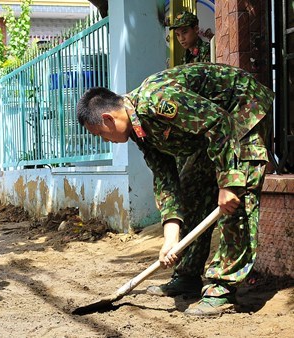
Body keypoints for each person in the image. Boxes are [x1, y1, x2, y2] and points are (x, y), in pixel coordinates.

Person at [76, 63, 274, 316]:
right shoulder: (139, 130)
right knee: (191, 190)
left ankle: (222, 288)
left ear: (108, 118)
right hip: (212, 133)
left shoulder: (157, 101)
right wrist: (171, 238)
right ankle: (188, 275)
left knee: (236, 205)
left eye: (100, 134)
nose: (105, 140)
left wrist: (229, 182)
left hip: (242, 108)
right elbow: (165, 179)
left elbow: (219, 123)